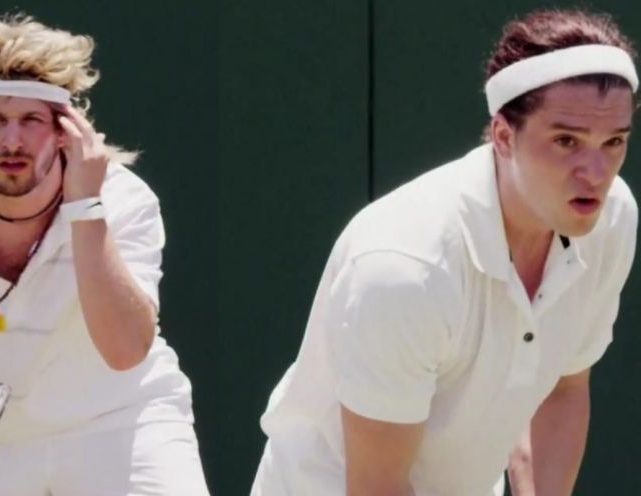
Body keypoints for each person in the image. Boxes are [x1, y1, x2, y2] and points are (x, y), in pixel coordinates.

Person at [251, 9, 638, 496]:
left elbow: (563, 388)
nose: (596, 173)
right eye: (566, 141)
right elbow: (378, 485)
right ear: (504, 136)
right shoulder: (405, 266)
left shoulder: (611, 218)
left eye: (614, 142)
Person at [0, 14, 210, 496]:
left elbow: (126, 350)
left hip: (120, 420)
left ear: (65, 131)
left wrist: (85, 209)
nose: (12, 141)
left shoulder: (123, 201)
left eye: (31, 121)